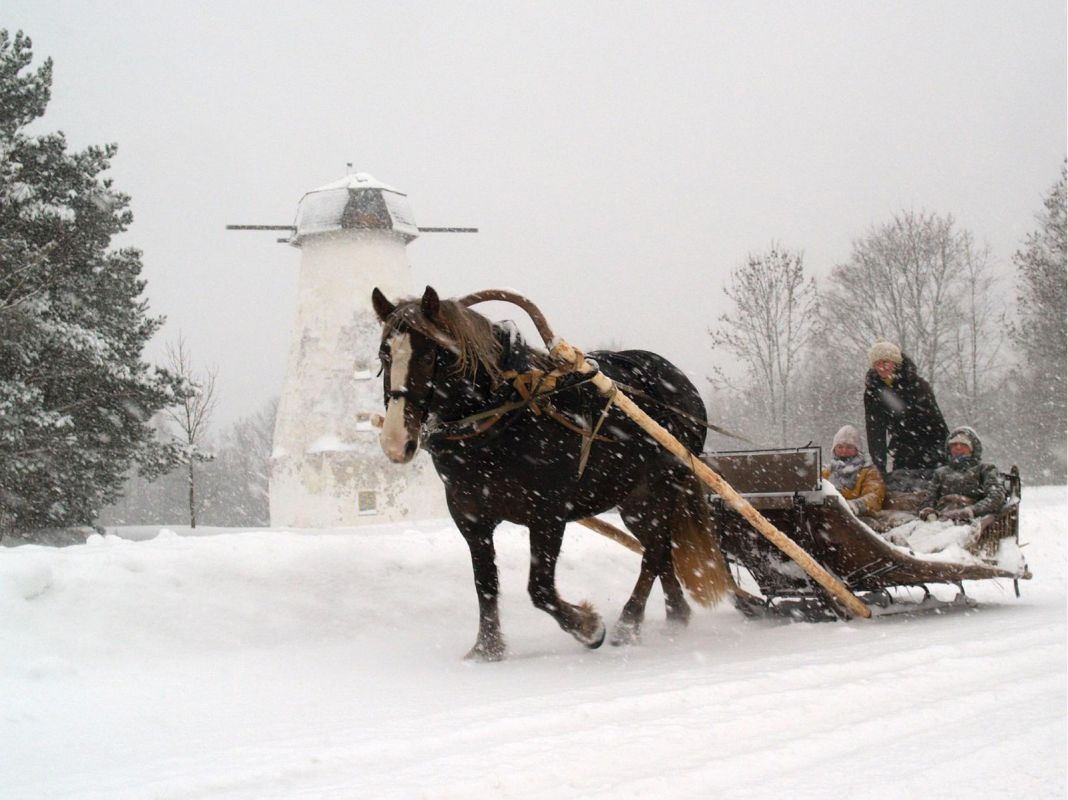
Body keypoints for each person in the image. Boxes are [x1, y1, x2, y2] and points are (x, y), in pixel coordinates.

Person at [863, 340, 949, 491]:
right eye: (877, 363)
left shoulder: (918, 385)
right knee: (902, 492)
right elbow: (875, 431)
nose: (881, 367)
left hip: (931, 447)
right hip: (902, 450)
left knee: (931, 491)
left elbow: (937, 423)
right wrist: (880, 467)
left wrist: (946, 453)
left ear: (895, 363)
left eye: (885, 362)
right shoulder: (873, 391)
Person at [917, 426, 1007, 523]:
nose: (958, 447)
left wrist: (972, 511)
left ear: (972, 448)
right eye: (954, 444)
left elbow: (996, 497)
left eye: (963, 444)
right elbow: (929, 498)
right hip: (940, 519)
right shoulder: (940, 472)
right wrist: (928, 511)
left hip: (971, 521)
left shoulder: (985, 469)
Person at [821, 424, 886, 515]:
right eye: (840, 447)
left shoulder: (869, 471)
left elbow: (874, 497)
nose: (844, 451)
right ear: (834, 449)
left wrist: (852, 506)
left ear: (857, 450)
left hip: (859, 518)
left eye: (849, 447)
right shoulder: (826, 472)